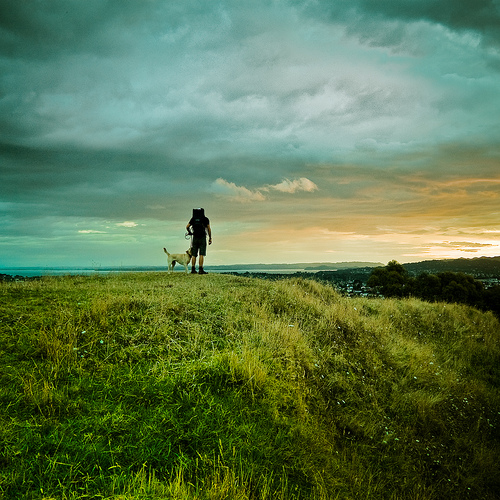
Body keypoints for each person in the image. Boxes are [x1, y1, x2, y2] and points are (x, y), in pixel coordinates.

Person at [186, 208, 212, 274]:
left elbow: (187, 226)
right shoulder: (205, 219)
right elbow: (209, 229)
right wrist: (210, 238)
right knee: (201, 254)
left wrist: (190, 232)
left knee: (194, 254)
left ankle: (193, 269)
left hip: (195, 237)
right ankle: (200, 269)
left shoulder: (193, 219)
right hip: (202, 237)